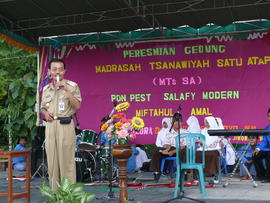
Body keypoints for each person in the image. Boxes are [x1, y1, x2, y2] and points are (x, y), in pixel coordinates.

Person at [41, 58, 82, 191]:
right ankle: (55, 195)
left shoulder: (72, 85)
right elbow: (42, 107)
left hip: (65, 124)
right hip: (50, 126)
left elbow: (77, 106)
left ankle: (68, 195)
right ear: (49, 71)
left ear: (64, 71)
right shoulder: (46, 89)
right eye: (54, 69)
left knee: (67, 162)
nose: (57, 72)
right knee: (52, 162)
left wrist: (67, 90)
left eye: (60, 69)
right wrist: (45, 114)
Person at [150, 116, 188, 181]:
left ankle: (184, 173)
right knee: (157, 150)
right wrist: (166, 150)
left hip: (180, 149)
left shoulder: (185, 132)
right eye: (175, 122)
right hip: (171, 148)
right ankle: (156, 172)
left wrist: (172, 152)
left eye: (178, 122)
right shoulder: (169, 132)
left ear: (181, 123)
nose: (176, 123)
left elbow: (183, 146)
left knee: (185, 150)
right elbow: (167, 144)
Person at [252, 108, 270, 183]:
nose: (269, 118)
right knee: (255, 155)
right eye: (268, 116)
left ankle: (268, 177)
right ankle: (261, 175)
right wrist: (258, 148)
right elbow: (264, 142)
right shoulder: (267, 128)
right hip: (268, 149)